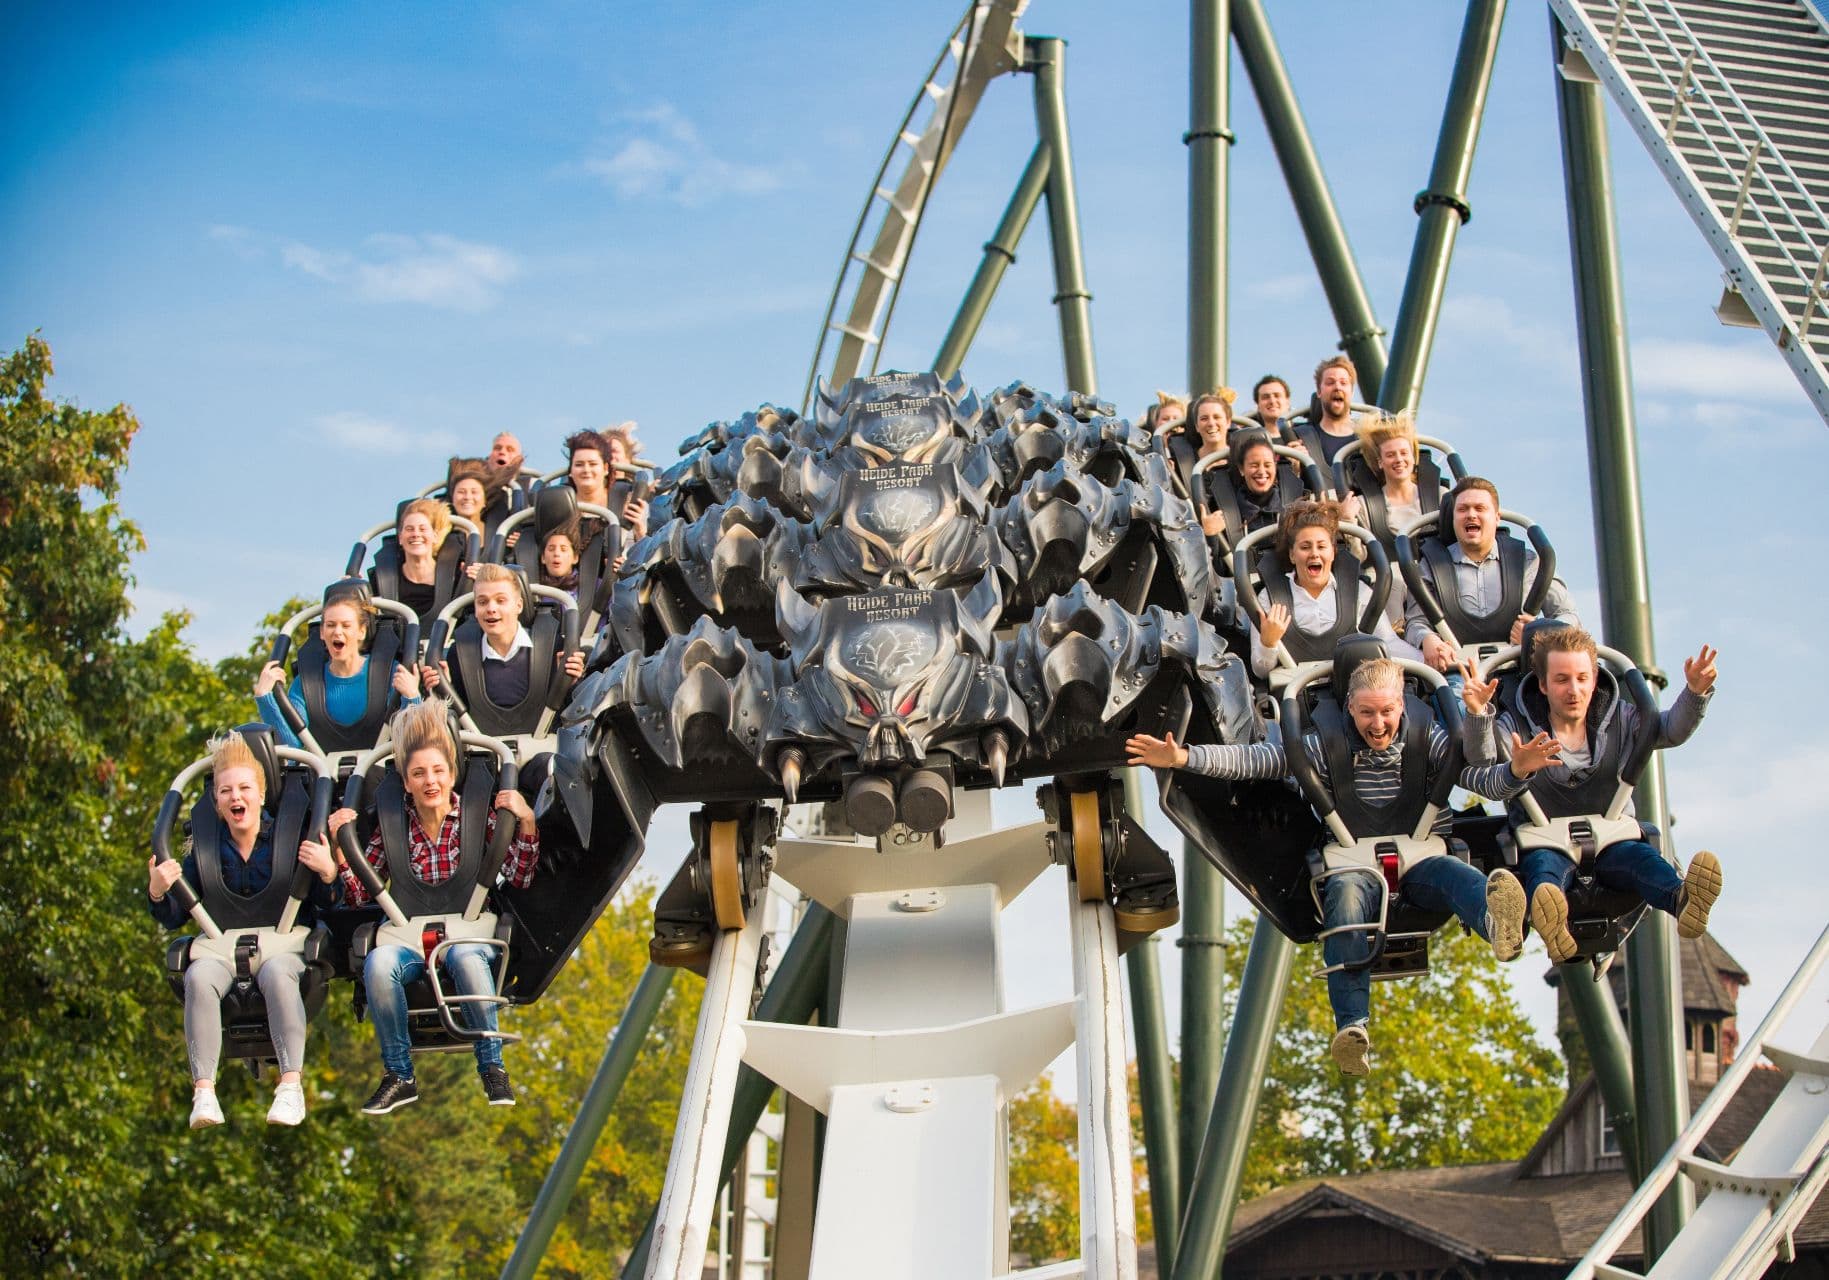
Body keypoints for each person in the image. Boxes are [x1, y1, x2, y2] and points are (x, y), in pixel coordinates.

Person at [1127, 657, 1558, 1075]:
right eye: (1366, 712)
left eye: (1387, 711)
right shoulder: (1321, 746)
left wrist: (1516, 770)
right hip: (1353, 861)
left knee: (1459, 877)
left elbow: (1482, 779)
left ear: (1402, 706)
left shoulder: (1431, 739)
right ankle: (1352, 1026)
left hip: (1422, 852)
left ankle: (1497, 925)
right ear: (1349, 707)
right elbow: (1254, 760)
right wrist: (1184, 758)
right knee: (1346, 908)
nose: (1378, 724)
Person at [1462, 626, 1723, 962]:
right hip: (1545, 839)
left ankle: (1683, 901)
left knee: (1643, 861)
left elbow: (1669, 730)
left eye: (1582, 678)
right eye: (1561, 680)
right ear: (1542, 685)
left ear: (1595, 678)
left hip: (1612, 836)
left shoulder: (1621, 718)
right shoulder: (1515, 727)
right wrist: (1479, 717)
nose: (1574, 690)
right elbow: (1480, 759)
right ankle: (1551, 923)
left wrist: (1695, 693)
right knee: (1543, 873)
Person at [327, 703, 539, 1112]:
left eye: (438, 772)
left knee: (464, 956)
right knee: (377, 963)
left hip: (468, 928)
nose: (430, 782)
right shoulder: (394, 824)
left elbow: (519, 876)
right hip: (408, 935)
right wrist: (342, 850)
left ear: (452, 774)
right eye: (419, 774)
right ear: (405, 782)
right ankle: (399, 1074)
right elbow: (359, 894)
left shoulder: (477, 814)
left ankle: (492, 1067)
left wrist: (526, 822)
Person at [147, 731, 340, 1128]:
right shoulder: (205, 849)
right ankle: (204, 1092)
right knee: (198, 976)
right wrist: (156, 890)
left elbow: (328, 901)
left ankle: (290, 1087)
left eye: (245, 788)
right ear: (216, 801)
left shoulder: (290, 837)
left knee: (277, 972)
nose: (236, 797)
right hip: (221, 950)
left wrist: (327, 871)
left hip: (284, 946)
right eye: (225, 791)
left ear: (261, 792)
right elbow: (173, 917)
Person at [1403, 476, 1579, 673]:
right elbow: (1416, 622)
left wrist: (1539, 632)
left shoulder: (1528, 562)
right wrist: (1428, 639)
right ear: (1452, 519)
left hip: (1523, 668)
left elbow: (1568, 616)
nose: (1471, 515)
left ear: (1497, 517)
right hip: (1459, 672)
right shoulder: (1429, 567)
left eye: (1480, 508)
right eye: (1462, 509)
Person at [1247, 500, 1421, 679]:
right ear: (1292, 554)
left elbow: (1389, 642)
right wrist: (1268, 643)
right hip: (1299, 692)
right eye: (1305, 547)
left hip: (1358, 687)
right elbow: (1261, 672)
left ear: (1333, 552)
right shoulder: (1270, 599)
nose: (1314, 553)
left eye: (1321, 546)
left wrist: (1426, 659)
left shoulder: (1358, 592)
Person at [255, 588, 420, 748]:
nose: (337, 632)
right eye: (331, 625)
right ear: (322, 632)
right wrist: (264, 698)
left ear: (362, 631)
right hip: (323, 771)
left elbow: (411, 739)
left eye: (346, 625)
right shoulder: (305, 684)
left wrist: (412, 697)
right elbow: (293, 745)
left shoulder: (390, 672)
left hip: (381, 768)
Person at [420, 562, 586, 716]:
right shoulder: (460, 654)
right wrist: (444, 689)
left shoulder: (552, 647)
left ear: (518, 605)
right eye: (483, 602)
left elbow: (572, 713)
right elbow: (457, 718)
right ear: (476, 610)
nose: (491, 608)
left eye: (501, 601)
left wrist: (570, 684)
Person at [1202, 430, 1300, 547]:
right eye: (1254, 465)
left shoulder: (1295, 504)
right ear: (1241, 469)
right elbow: (1213, 562)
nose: (1262, 472)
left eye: (1268, 465)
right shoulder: (1223, 510)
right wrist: (1209, 536)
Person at [386, 498, 456, 624]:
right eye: (409, 529)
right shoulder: (383, 579)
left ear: (434, 536)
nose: (416, 534)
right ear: (400, 538)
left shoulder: (454, 577)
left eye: (422, 529)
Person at [1289, 355, 1361, 471]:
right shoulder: (1299, 437)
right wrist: (1295, 469)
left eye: (1343, 383)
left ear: (1351, 392)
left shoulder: (1368, 438)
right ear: (1319, 391)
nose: (1337, 387)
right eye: (1330, 383)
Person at [600, 421, 650, 542]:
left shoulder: (638, 496)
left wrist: (639, 529)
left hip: (628, 556)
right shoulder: (589, 495)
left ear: (628, 458)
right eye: (604, 453)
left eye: (614, 451)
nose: (610, 457)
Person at [537, 519, 582, 600]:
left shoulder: (591, 586)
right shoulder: (533, 587)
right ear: (543, 557)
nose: (556, 554)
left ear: (575, 558)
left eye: (563, 549)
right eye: (551, 549)